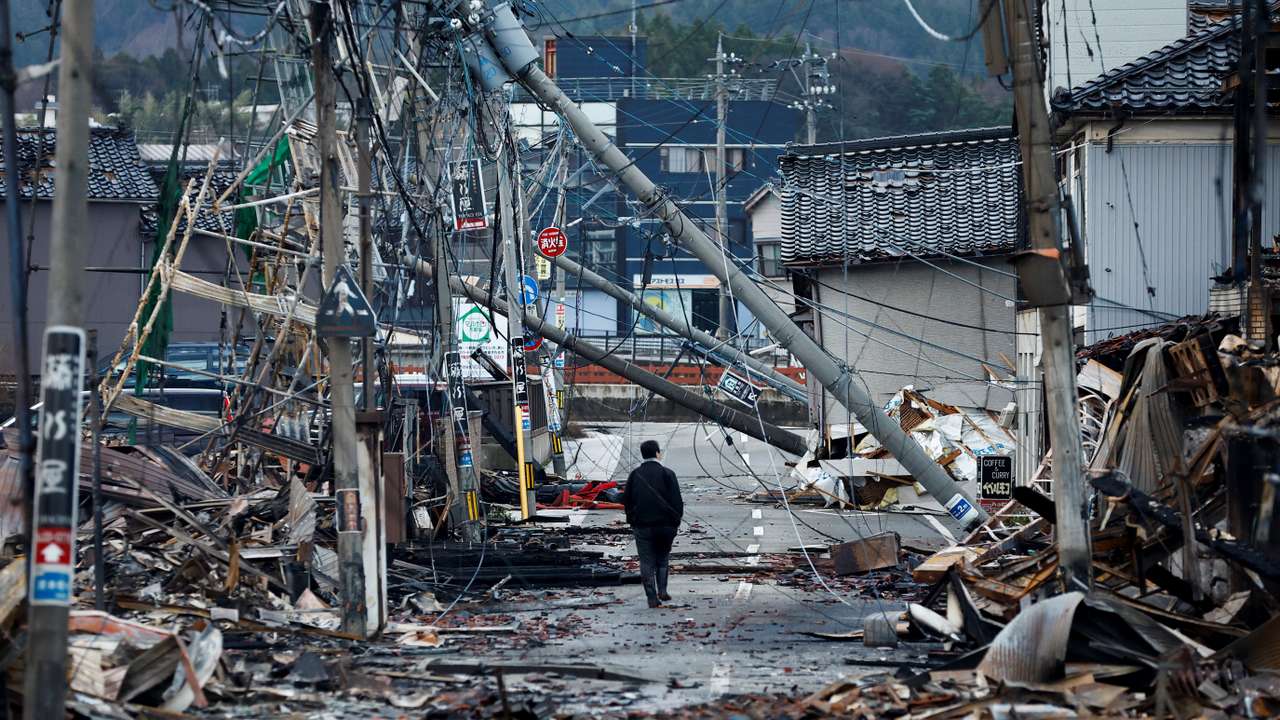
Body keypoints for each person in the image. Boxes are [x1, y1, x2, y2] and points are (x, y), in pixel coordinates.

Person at [622, 439, 683, 608]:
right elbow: (677, 501)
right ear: (657, 453)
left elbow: (626, 500)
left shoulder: (635, 475)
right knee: (662, 559)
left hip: (642, 526)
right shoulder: (668, 474)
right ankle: (662, 590)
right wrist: (675, 522)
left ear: (643, 454)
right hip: (666, 526)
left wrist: (632, 520)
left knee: (647, 561)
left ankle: (651, 597)